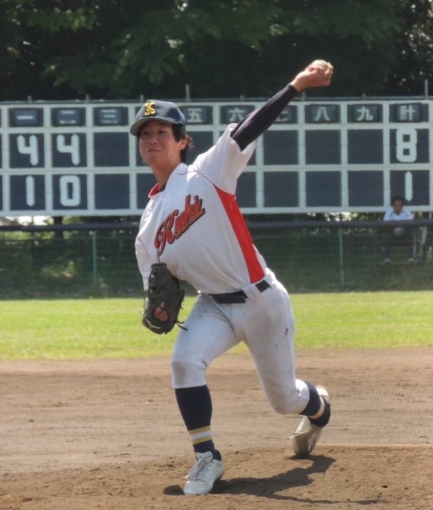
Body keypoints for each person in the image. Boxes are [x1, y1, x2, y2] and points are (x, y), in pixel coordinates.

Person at [131, 60, 334, 496]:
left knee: (284, 400)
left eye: (162, 132)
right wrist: (160, 309)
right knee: (184, 362)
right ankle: (207, 457)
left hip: (262, 301)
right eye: (145, 134)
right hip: (212, 305)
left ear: (182, 142)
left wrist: (296, 85)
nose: (152, 139)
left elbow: (248, 128)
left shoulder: (207, 171)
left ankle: (319, 406)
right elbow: (156, 289)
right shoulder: (147, 225)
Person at [382, 195, 416, 263]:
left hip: (404, 234)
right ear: (393, 206)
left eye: (399, 206)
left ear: (402, 206)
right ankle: (387, 259)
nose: (398, 208)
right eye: (396, 206)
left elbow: (409, 224)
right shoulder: (389, 212)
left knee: (410, 235)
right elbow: (386, 224)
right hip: (392, 234)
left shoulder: (407, 211)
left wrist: (402, 228)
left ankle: (411, 258)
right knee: (387, 236)